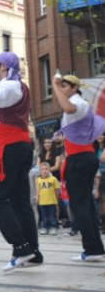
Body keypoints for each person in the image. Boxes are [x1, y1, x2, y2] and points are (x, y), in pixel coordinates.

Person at [0, 52, 41, 271]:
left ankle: (21, 247)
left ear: (3, 66)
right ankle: (33, 251)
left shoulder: (10, 86)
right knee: (20, 200)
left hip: (12, 146)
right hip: (19, 144)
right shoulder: (18, 86)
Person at [51, 75, 105, 261]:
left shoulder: (78, 103)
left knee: (80, 205)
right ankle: (95, 248)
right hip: (83, 157)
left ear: (75, 88)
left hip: (79, 159)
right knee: (86, 205)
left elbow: (67, 107)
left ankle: (92, 249)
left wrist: (54, 85)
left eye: (64, 86)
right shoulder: (78, 103)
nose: (61, 88)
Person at [35, 162, 60, 236]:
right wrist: (37, 197)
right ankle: (45, 227)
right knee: (44, 216)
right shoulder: (38, 180)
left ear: (49, 170)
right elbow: (38, 190)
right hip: (42, 202)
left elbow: (57, 190)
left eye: (46, 169)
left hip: (52, 201)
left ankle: (53, 227)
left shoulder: (53, 179)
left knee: (52, 216)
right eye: (42, 169)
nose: (44, 171)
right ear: (40, 171)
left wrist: (57, 199)